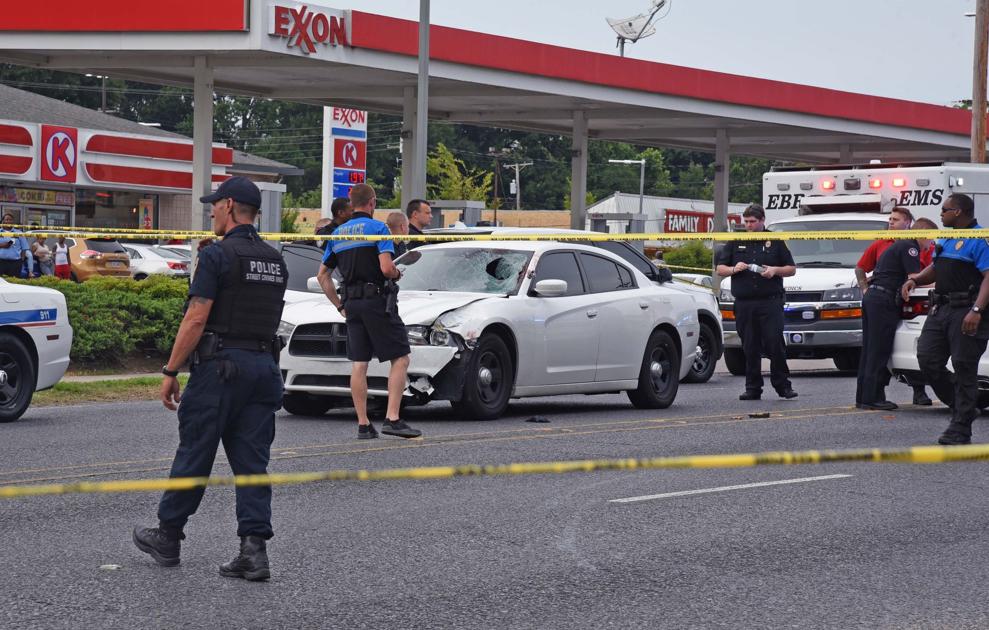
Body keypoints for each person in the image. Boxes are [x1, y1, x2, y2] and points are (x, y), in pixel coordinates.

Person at [133, 176, 288, 581]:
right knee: (253, 463)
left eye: (215, 205)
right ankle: (254, 552)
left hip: (220, 369)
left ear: (231, 206)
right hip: (263, 369)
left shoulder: (218, 256)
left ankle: (167, 536)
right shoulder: (275, 260)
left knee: (195, 452)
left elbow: (197, 317)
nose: (211, 211)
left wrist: (170, 370)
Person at [317, 183, 422, 440]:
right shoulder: (378, 228)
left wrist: (339, 305)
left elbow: (322, 276)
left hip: (351, 304)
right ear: (372, 202)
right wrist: (397, 274)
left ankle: (363, 424)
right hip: (376, 301)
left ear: (352, 204)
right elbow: (386, 268)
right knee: (400, 358)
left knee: (359, 364)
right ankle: (393, 418)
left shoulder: (338, 234)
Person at [902, 193, 989, 445]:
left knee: (964, 367)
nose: (940, 214)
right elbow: (937, 268)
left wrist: (977, 310)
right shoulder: (948, 236)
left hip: (966, 309)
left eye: (944, 210)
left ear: (959, 212)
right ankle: (964, 406)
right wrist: (915, 279)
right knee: (927, 359)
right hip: (940, 309)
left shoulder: (980, 239)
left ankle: (961, 427)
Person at [715, 203, 798, 400]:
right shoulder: (736, 241)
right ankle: (753, 387)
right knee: (749, 346)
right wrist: (735, 268)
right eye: (746, 222)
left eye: (753, 222)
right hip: (745, 303)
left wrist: (775, 270)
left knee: (774, 344)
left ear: (762, 221)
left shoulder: (775, 240)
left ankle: (783, 385)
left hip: (770, 302)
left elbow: (791, 268)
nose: (749, 225)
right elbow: (720, 269)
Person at [854, 207, 934, 406]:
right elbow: (914, 278)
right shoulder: (911, 248)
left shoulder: (899, 246)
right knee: (879, 349)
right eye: (930, 239)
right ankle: (873, 398)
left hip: (875, 297)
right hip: (884, 300)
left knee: (870, 349)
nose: (930, 244)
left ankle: (864, 398)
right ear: (923, 234)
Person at [0, 213, 34, 278]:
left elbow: (24, 248)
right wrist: (2, 245)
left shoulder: (19, 233)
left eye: (10, 220)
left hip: (15, 263)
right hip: (1, 262)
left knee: (14, 284)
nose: (8, 221)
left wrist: (21, 260)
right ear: (3, 221)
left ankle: (30, 272)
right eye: (7, 219)